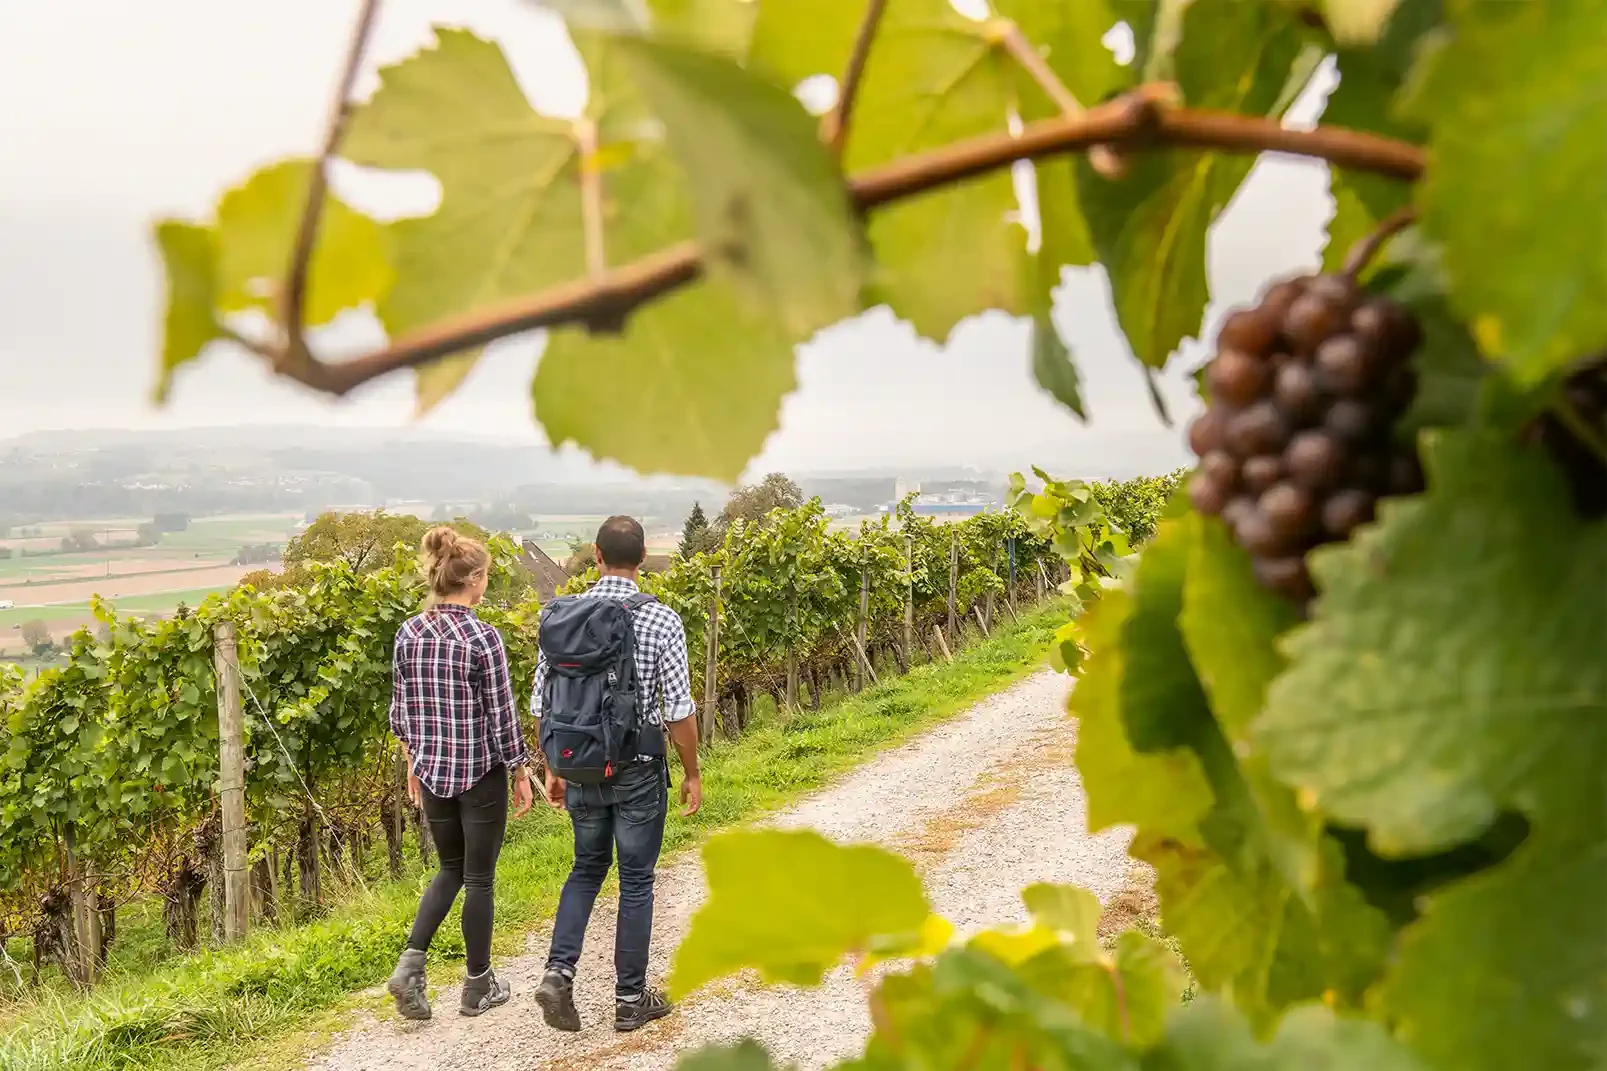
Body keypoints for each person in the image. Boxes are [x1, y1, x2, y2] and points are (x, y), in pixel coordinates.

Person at [532, 515, 703, 1034]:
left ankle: (558, 972)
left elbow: (542, 700)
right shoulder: (662, 620)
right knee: (635, 880)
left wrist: (553, 765)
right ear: (644, 555)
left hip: (577, 761)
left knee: (586, 868)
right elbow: (678, 709)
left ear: (596, 555)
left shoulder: (561, 616)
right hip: (638, 766)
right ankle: (630, 1000)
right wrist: (692, 771)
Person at [384, 527, 535, 1021]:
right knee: (479, 878)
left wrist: (412, 763)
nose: (486, 583)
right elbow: (501, 712)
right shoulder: (482, 637)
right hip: (478, 772)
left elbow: (402, 710)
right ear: (471, 579)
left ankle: (410, 967)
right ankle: (477, 985)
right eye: (485, 576)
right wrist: (520, 769)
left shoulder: (408, 632)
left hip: (430, 771)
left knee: (449, 869)